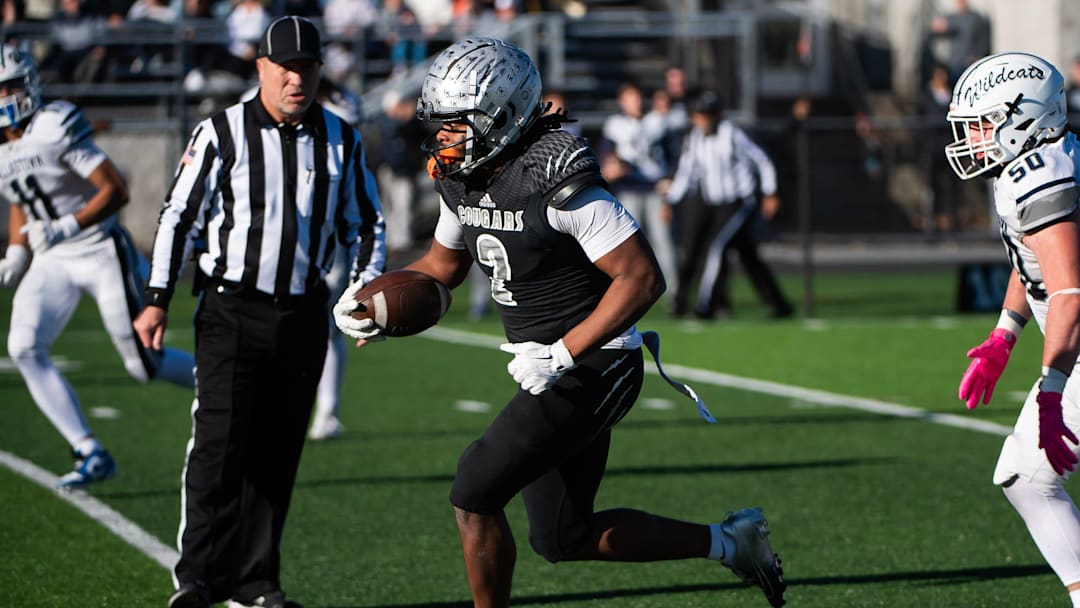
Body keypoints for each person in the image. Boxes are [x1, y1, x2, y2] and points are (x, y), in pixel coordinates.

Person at [333, 37, 785, 608]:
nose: (443, 136)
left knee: (474, 486)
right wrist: (372, 300)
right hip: (547, 366)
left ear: (501, 116)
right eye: (439, 123)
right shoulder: (463, 177)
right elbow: (441, 268)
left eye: (456, 123)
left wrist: (563, 352)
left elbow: (642, 277)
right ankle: (731, 544)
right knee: (562, 536)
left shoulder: (556, 177)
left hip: (598, 360)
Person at [132, 16, 386, 607]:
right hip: (231, 309)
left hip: (302, 314)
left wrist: (363, 294)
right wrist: (156, 298)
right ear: (262, 69)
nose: (297, 79)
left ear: (321, 70)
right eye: (286, 67)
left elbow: (367, 223)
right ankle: (197, 578)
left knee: (278, 452)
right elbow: (179, 216)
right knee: (219, 445)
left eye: (308, 67)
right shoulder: (220, 132)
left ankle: (255, 581)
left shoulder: (341, 138)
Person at [0, 43, 196, 489]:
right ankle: (88, 450)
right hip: (52, 259)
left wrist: (66, 224)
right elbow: (20, 199)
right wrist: (16, 252)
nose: (5, 98)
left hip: (99, 250)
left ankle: (225, 389)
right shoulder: (3, 147)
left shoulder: (53, 124)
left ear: (29, 82)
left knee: (142, 365)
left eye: (9, 86)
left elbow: (114, 190)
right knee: (25, 347)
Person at [949, 52, 1080, 608]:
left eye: (980, 124)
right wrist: (1005, 334)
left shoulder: (1039, 173)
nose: (972, 138)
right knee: (1025, 476)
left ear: (1022, 118)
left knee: (1029, 476)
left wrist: (1051, 392)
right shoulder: (1041, 162)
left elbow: (1071, 291)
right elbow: (1035, 265)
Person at [663, 90, 793, 320]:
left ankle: (706, 306)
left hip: (739, 202)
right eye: (697, 115)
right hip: (711, 203)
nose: (700, 120)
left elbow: (762, 160)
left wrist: (770, 192)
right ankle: (779, 304)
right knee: (744, 255)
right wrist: (671, 200)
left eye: (705, 115)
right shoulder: (694, 138)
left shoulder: (732, 133)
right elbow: (687, 173)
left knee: (716, 248)